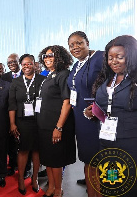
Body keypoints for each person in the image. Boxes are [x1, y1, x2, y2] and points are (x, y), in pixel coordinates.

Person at [85, 35, 137, 196]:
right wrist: (92, 112)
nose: (114, 61)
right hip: (106, 142)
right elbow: (104, 107)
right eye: (110, 57)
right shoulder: (106, 79)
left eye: (119, 57)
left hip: (129, 144)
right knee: (110, 184)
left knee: (128, 187)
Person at [67, 31, 104, 196]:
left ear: (87, 42)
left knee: (98, 159)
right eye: (71, 45)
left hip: (95, 118)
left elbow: (113, 84)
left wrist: (99, 105)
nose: (75, 47)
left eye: (79, 43)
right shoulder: (77, 65)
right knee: (88, 158)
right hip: (80, 119)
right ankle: (91, 192)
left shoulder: (100, 58)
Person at [37, 45, 76, 197]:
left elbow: (67, 102)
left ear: (59, 56)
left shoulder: (63, 74)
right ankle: (51, 187)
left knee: (56, 159)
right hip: (44, 125)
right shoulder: (49, 75)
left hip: (56, 125)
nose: (47, 58)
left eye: (51, 55)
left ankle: (58, 190)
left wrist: (58, 127)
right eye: (45, 56)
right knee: (47, 158)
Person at [9, 54, 45, 195]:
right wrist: (12, 123)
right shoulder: (16, 82)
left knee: (37, 151)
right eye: (24, 64)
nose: (26, 66)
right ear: (21, 66)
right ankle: (21, 179)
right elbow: (12, 104)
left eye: (29, 64)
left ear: (34, 64)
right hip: (22, 121)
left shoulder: (42, 80)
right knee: (23, 150)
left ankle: (35, 179)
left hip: (39, 120)